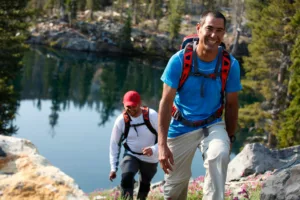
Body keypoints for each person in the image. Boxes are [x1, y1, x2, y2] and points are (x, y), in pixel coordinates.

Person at [158, 11, 242, 200]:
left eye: (219, 30)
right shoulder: (179, 61)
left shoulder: (230, 65)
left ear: (224, 34)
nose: (214, 35)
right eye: (209, 29)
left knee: (218, 155)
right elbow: (165, 102)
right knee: (173, 189)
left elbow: (231, 105)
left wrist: (229, 138)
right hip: (181, 125)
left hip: (212, 124)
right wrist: (162, 145)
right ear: (198, 29)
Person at [109, 90, 159, 200]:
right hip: (131, 154)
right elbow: (114, 144)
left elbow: (166, 137)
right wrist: (113, 168)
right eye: (128, 106)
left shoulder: (152, 116)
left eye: (133, 106)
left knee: (145, 184)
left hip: (151, 157)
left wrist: (154, 149)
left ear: (139, 104)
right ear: (123, 104)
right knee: (126, 177)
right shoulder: (121, 121)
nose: (131, 109)